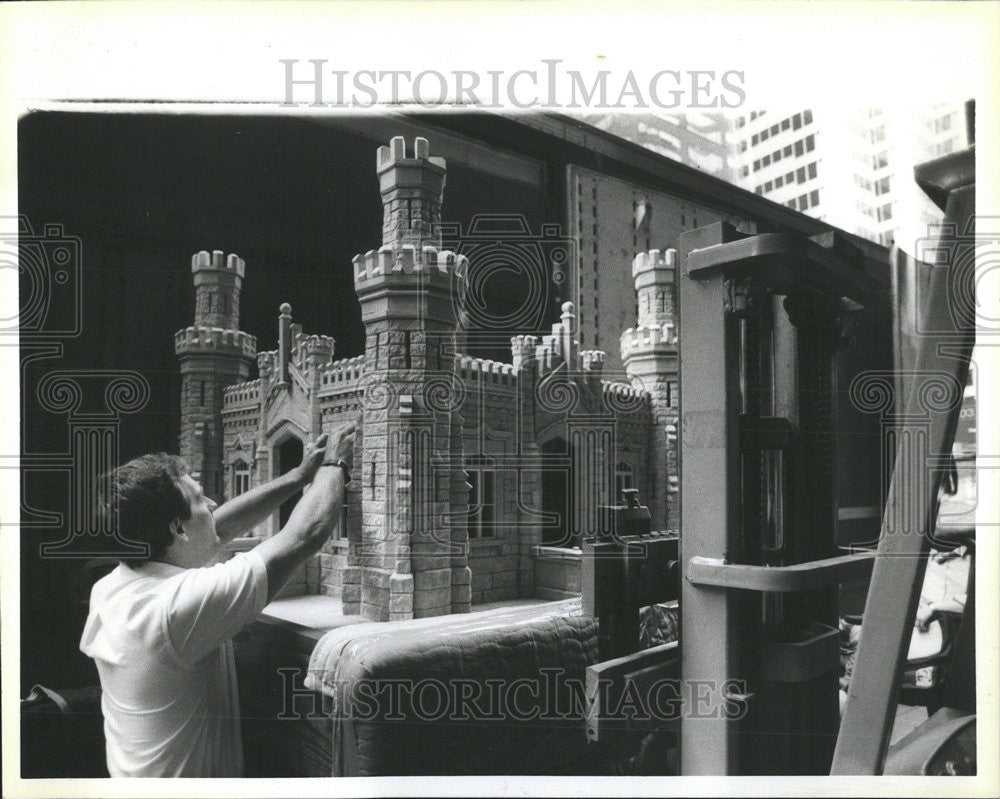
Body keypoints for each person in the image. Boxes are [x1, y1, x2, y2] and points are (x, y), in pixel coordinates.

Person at [79, 424, 354, 778]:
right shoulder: (176, 608)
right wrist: (335, 464)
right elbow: (307, 534)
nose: (212, 504)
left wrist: (298, 478)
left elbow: (215, 531)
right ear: (177, 528)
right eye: (200, 498)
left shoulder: (115, 585)